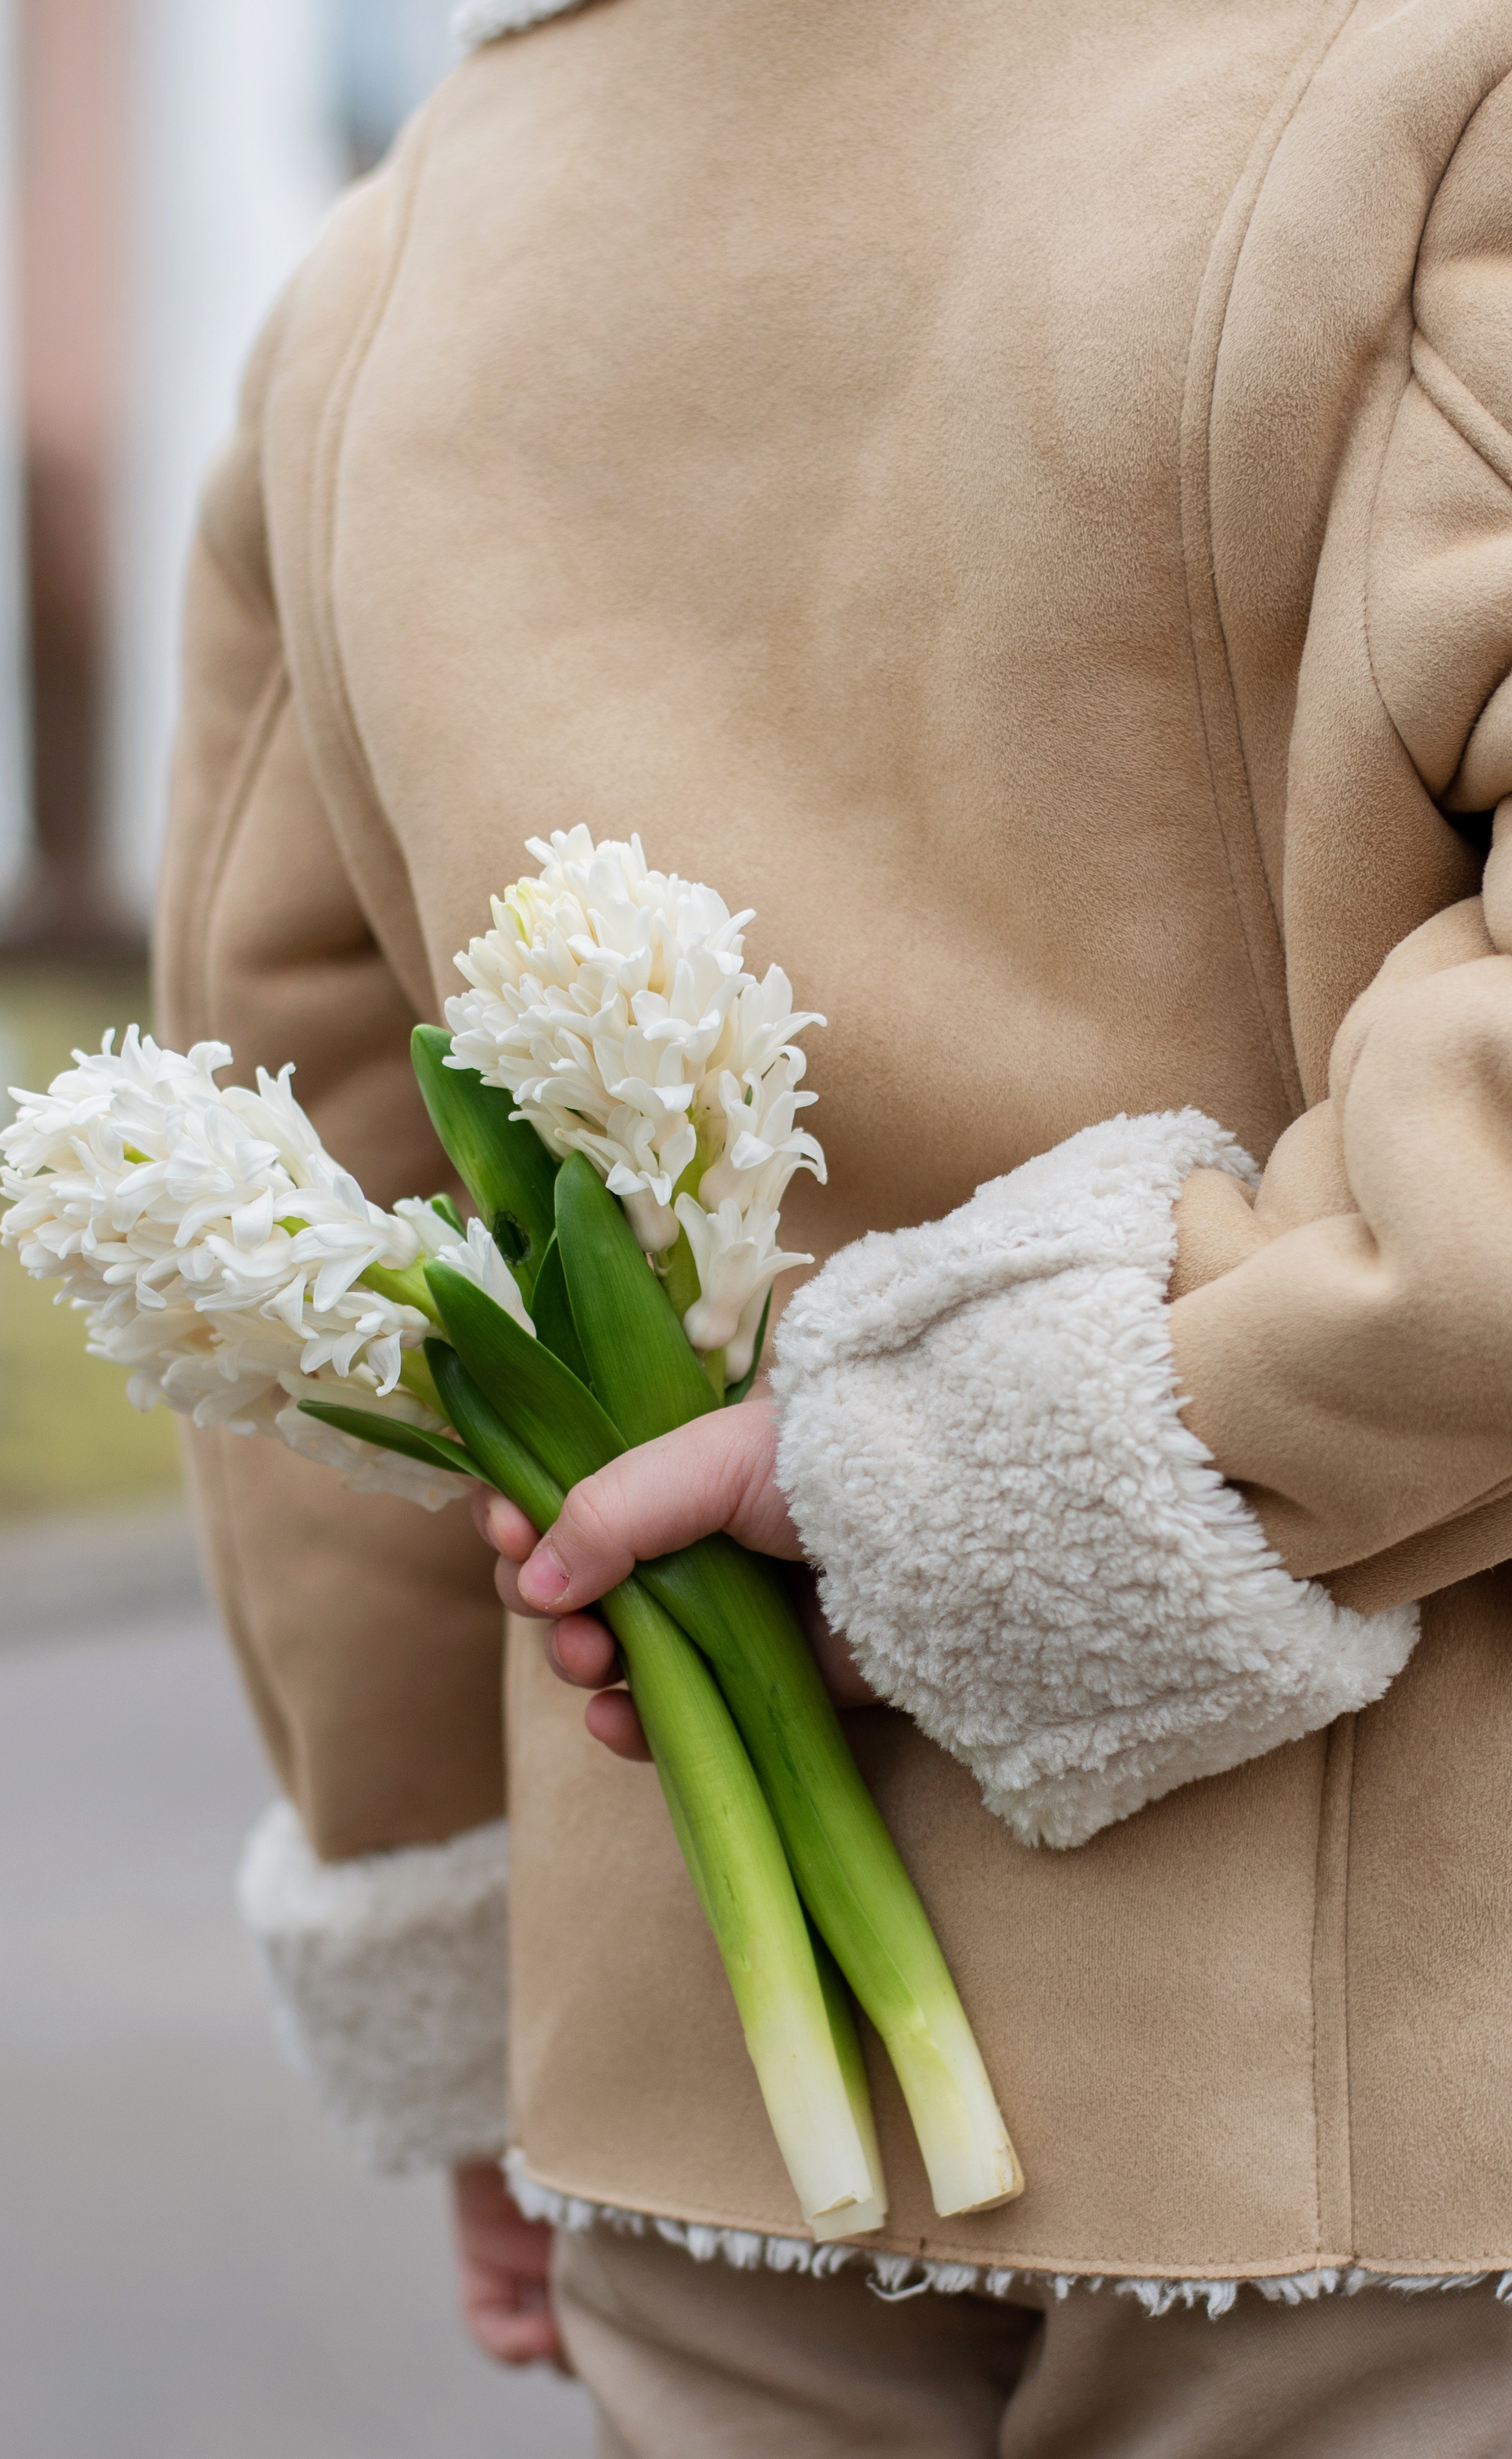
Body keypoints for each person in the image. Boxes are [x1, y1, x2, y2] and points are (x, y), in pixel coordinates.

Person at [156, 0, 1512, 2448]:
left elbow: (309, 1233)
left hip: (706, 2111)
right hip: (1409, 2105)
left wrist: (447, 1969)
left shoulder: (383, 277)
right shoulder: (1428, 99)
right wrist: (1047, 1459)